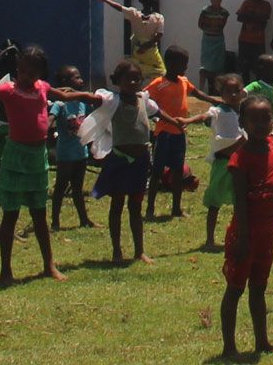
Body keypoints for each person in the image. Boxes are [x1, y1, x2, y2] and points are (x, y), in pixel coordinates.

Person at [0, 46, 85, 286]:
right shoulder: (7, 90)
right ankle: (6, 270)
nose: (25, 76)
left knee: (39, 214)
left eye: (31, 73)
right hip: (15, 157)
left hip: (37, 158)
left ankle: (49, 265)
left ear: (41, 73)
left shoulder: (43, 88)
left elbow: (64, 96)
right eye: (21, 71)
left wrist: (91, 97)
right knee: (10, 214)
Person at [219, 94, 273, 358]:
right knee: (236, 288)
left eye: (266, 118)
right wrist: (243, 237)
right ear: (243, 122)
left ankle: (262, 340)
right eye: (255, 119)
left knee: (259, 287)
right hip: (246, 232)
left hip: (267, 233)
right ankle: (229, 347)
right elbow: (239, 202)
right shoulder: (239, 159)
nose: (262, 124)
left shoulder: (272, 144)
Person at [82, 61, 164, 264]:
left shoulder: (143, 99)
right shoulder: (113, 101)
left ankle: (139, 251)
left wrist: (179, 122)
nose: (134, 82)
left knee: (136, 207)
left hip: (140, 160)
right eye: (129, 78)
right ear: (118, 81)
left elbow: (159, 113)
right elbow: (91, 97)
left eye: (137, 78)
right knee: (117, 205)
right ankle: (116, 251)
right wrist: (66, 95)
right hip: (120, 159)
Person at [177, 73, 246, 250]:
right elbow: (203, 117)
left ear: (242, 92)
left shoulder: (245, 111)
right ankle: (209, 240)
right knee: (215, 201)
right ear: (220, 93)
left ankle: (238, 237)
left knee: (241, 201)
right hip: (223, 162)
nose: (232, 95)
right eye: (228, 91)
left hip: (241, 162)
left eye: (236, 91)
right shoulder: (218, 111)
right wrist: (187, 120)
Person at [146, 46, 206, 219]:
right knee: (157, 171)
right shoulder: (158, 84)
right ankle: (150, 208)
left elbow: (198, 94)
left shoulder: (184, 81)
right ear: (170, 63)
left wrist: (216, 100)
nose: (185, 67)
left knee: (178, 171)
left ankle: (176, 208)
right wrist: (155, 118)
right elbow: (144, 100)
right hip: (164, 134)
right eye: (182, 63)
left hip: (179, 134)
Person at [46, 65, 95, 231]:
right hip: (65, 155)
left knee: (77, 189)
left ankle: (84, 219)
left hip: (81, 152)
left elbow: (96, 107)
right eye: (76, 78)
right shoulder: (60, 104)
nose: (81, 80)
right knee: (60, 188)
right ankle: (55, 222)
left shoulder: (82, 102)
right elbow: (50, 119)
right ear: (66, 82)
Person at [94, 0, 165, 80]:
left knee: (135, 70)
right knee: (161, 71)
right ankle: (138, 70)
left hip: (137, 48)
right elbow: (159, 34)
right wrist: (146, 46)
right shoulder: (159, 17)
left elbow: (119, 7)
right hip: (151, 49)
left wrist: (106, 0)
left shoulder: (134, 13)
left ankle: (135, 67)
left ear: (142, 2)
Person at [236, 0, 273, 80]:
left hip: (258, 42)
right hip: (244, 40)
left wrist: (248, 15)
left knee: (259, 68)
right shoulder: (246, 3)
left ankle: (257, 90)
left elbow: (264, 20)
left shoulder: (266, 5)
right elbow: (239, 17)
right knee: (244, 68)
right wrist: (255, 17)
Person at [197, 0, 231, 90]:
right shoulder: (205, 11)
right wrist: (209, 29)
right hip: (208, 40)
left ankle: (218, 90)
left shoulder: (224, 13)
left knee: (218, 66)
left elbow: (221, 26)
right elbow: (200, 24)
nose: (212, 0)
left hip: (218, 40)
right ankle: (201, 89)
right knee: (204, 66)